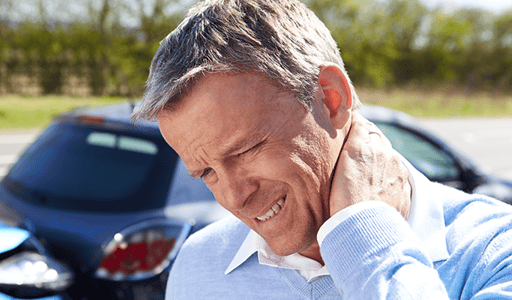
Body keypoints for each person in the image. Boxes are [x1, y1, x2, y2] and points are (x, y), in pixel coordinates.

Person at [131, 0, 512, 299]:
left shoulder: (496, 254)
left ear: (331, 98)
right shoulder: (200, 263)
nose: (234, 197)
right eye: (206, 173)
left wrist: (365, 237)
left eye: (245, 150)